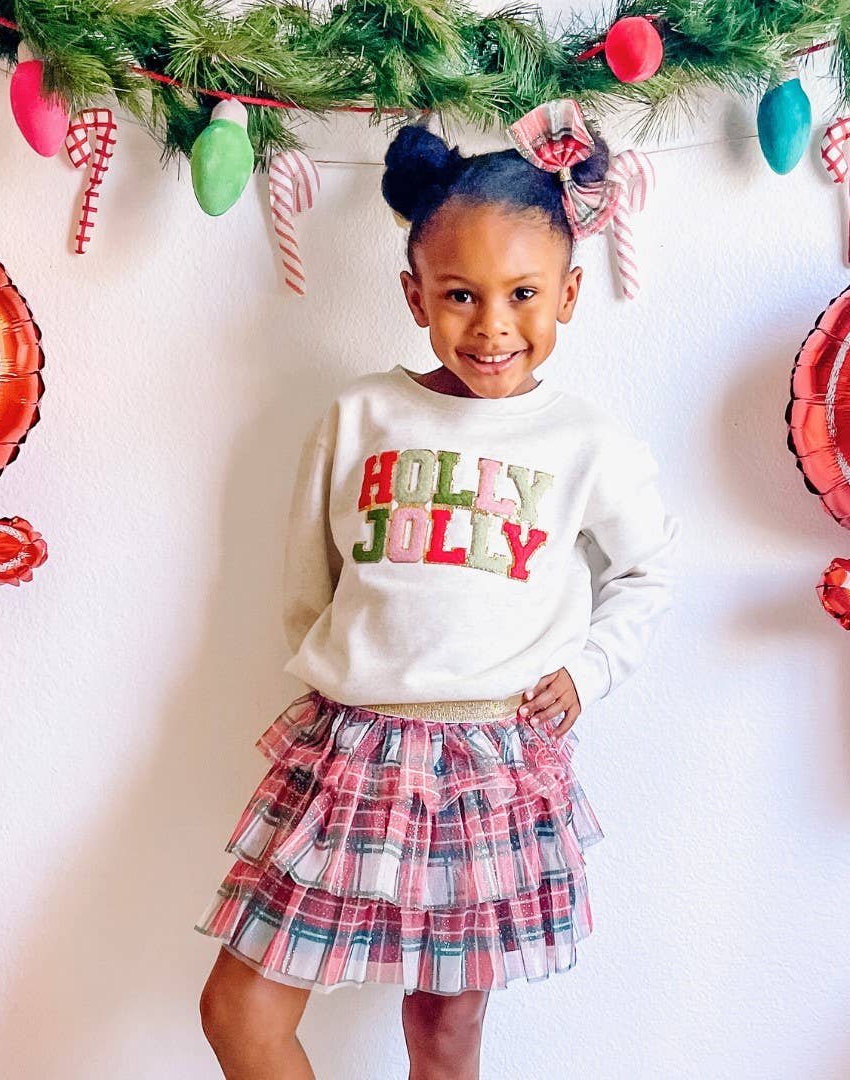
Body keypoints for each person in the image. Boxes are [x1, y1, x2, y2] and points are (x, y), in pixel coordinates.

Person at [195, 97, 678, 1080]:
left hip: (491, 764)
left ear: (569, 295)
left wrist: (588, 671)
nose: (493, 325)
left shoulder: (585, 443)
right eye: (460, 294)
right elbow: (309, 579)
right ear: (415, 295)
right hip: (355, 755)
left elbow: (648, 571)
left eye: (523, 295)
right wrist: (356, 678)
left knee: (446, 1034)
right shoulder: (361, 415)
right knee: (239, 1007)